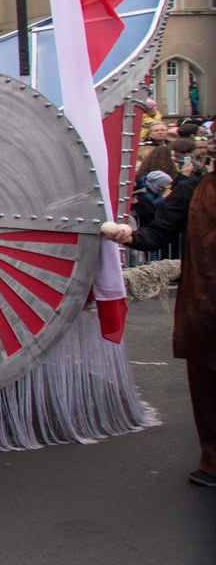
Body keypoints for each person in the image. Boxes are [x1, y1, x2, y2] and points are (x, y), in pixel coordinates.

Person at [102, 148, 215, 488]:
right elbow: (159, 233)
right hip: (206, 306)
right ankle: (212, 460)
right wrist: (127, 235)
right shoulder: (193, 189)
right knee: (207, 386)